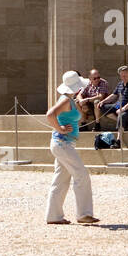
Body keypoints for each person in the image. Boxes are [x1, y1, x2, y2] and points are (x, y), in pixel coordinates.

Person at [45, 71, 99, 225]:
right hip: (63, 142)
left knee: (61, 180)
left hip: (64, 143)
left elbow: (80, 117)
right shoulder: (65, 100)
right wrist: (60, 128)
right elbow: (50, 114)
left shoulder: (70, 100)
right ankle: (84, 214)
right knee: (81, 175)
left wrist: (80, 106)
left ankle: (53, 216)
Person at [99, 65, 128, 133]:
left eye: (125, 75)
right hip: (119, 105)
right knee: (103, 107)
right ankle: (123, 122)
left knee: (121, 116)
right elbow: (114, 95)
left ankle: (119, 138)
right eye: (122, 76)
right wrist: (103, 101)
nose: (123, 78)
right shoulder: (120, 84)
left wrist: (123, 109)